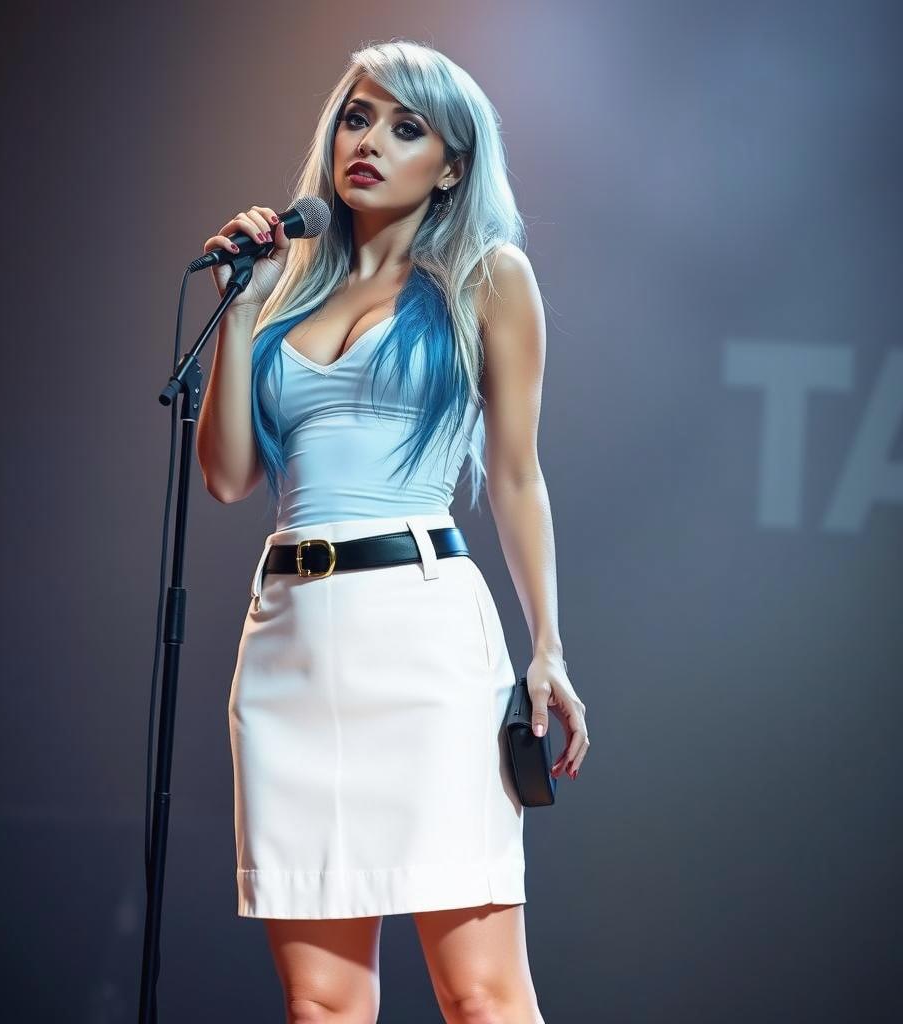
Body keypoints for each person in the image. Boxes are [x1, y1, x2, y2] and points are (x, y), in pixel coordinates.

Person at [197, 39, 589, 1024]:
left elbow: (513, 474)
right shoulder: (282, 287)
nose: (368, 140)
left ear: (451, 164)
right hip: (288, 641)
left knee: (480, 993)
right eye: (357, 117)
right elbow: (229, 475)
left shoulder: (487, 279)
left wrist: (546, 648)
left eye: (405, 127)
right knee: (320, 1006)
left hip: (423, 637)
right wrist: (240, 316)